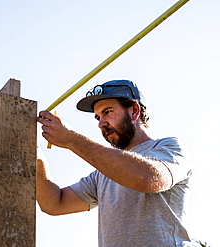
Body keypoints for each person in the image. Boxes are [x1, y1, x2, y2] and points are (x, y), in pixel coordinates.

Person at [36, 79, 193, 247]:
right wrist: (33, 152)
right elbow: (54, 203)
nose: (100, 124)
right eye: (97, 117)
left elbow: (147, 178)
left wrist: (72, 140)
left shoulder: (170, 148)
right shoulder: (103, 173)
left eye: (108, 112)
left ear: (134, 111)